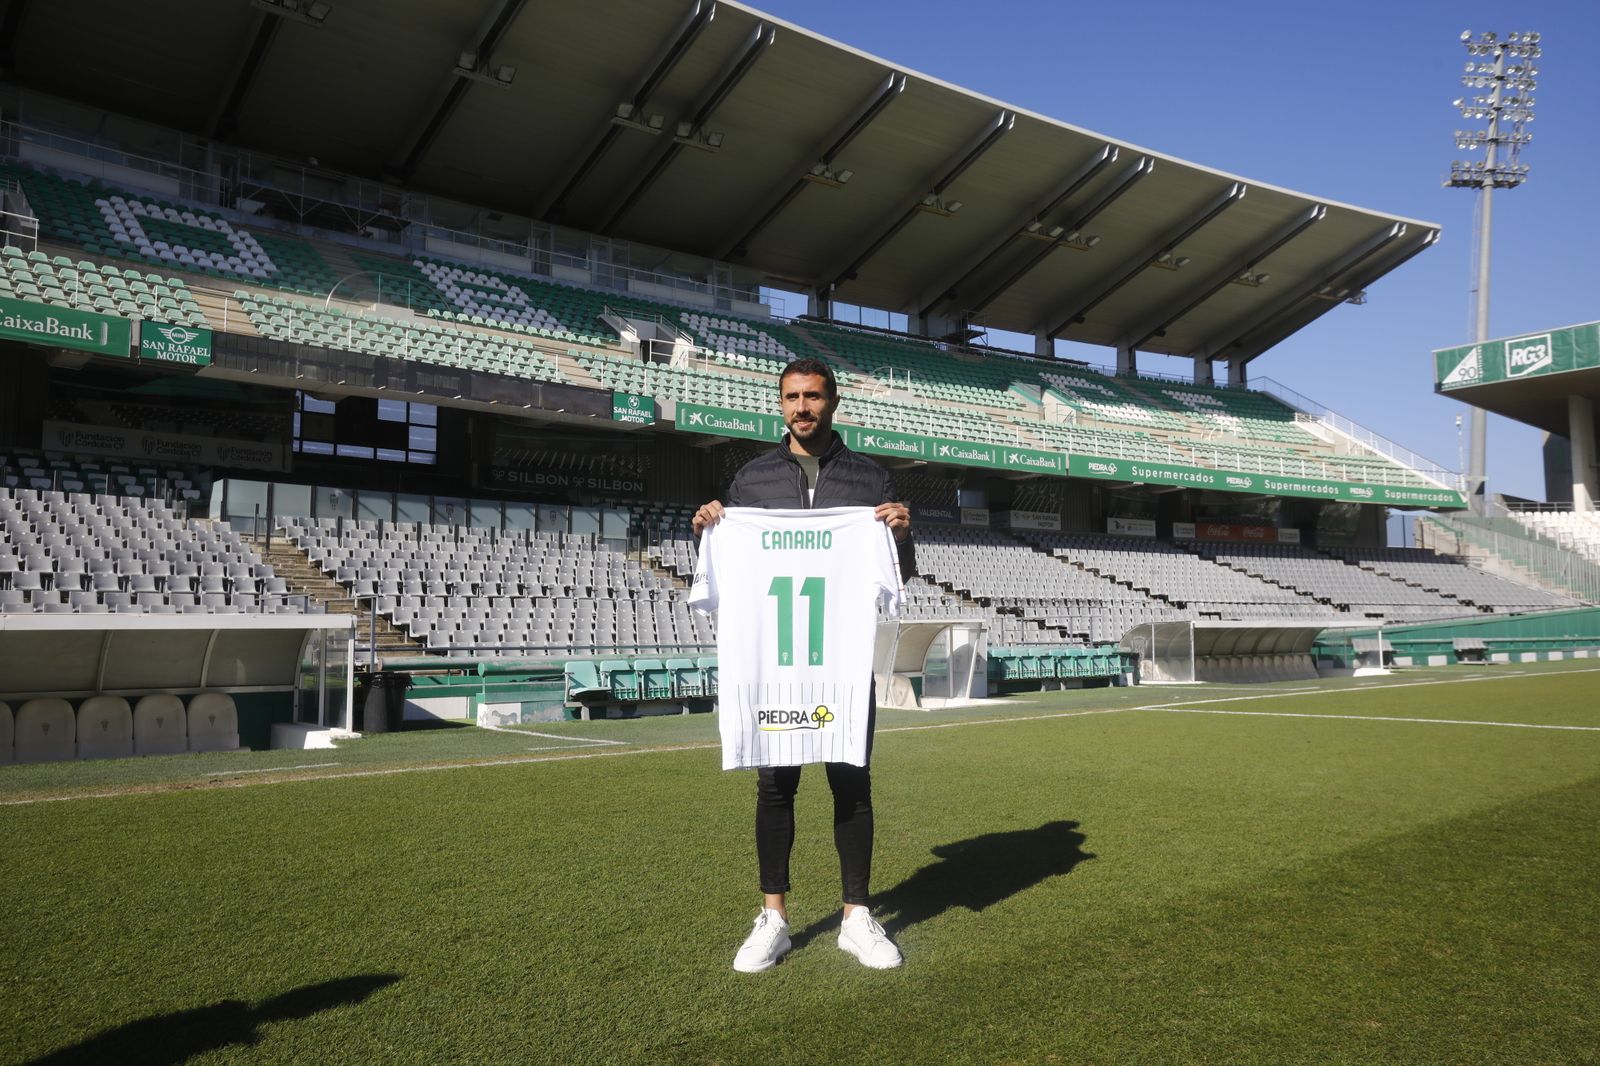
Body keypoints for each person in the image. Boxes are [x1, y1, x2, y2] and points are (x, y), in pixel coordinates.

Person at [692, 357, 914, 973]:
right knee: (775, 786)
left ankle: (856, 917)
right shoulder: (751, 481)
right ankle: (775, 919)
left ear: (834, 402)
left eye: (813, 396)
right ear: (779, 404)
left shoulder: (870, 480)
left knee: (852, 781)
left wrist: (899, 534)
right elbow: (727, 569)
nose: (801, 408)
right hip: (775, 665)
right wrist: (707, 530)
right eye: (791, 398)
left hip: (839, 662)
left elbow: (900, 577)